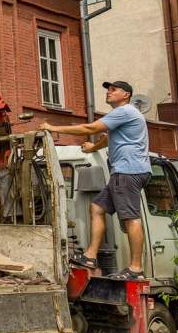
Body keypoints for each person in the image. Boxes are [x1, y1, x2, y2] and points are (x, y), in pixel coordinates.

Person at [41, 80, 151, 280]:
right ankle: (90, 257)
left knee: (130, 218)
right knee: (97, 208)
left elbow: (90, 127)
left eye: (113, 89)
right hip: (124, 172)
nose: (108, 92)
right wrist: (93, 148)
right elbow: (109, 137)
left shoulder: (125, 111)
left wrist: (51, 127)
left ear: (126, 94)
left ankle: (135, 268)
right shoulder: (124, 116)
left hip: (128, 171)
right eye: (107, 89)